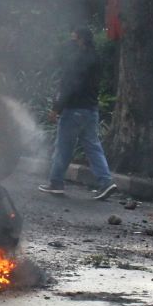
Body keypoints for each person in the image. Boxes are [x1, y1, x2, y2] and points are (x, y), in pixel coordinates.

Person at [38, 27, 116, 199]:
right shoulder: (95, 58)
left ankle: (56, 182)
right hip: (91, 110)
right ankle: (106, 182)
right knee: (93, 146)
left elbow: (68, 86)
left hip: (73, 110)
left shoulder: (76, 61)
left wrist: (56, 109)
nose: (71, 42)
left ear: (80, 40)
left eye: (74, 39)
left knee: (63, 147)